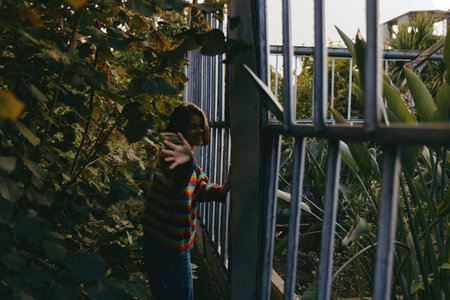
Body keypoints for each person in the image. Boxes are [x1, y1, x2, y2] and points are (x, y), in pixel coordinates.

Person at [143, 103, 231, 300]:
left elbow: (198, 188)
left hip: (157, 240)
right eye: (193, 126)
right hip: (170, 247)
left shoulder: (189, 164)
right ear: (180, 130)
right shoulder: (171, 160)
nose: (200, 130)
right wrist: (187, 163)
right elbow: (177, 186)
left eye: (201, 125)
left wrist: (222, 190)